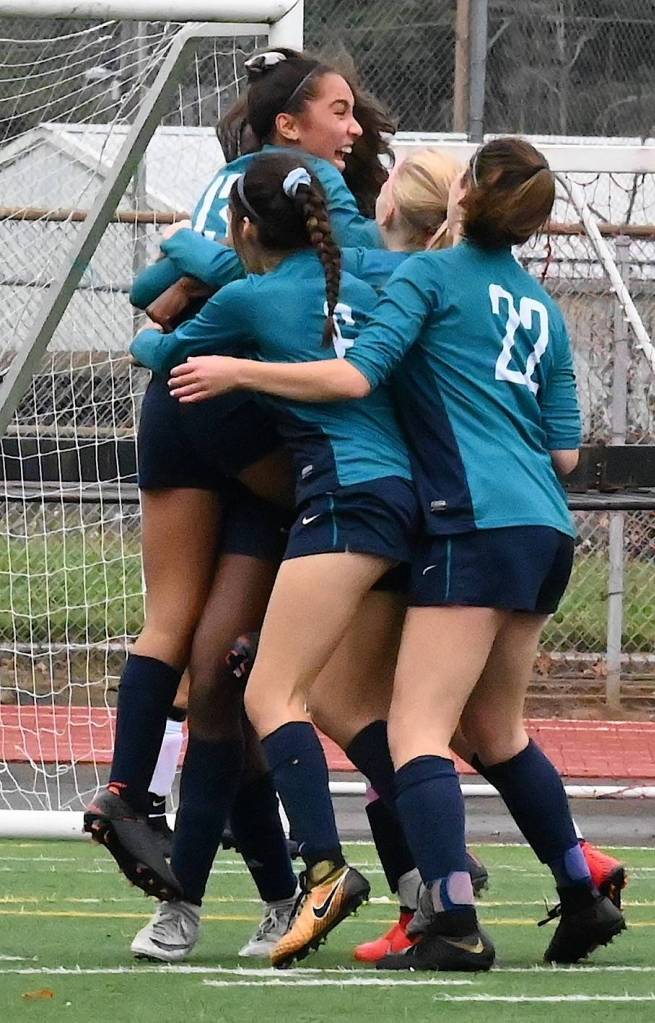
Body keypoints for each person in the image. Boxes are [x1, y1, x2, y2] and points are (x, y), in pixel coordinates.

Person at [167, 138, 627, 970]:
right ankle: (578, 884)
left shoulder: (427, 276)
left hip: (470, 518)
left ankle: (448, 917)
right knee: (497, 728)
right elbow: (565, 452)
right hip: (544, 524)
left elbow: (354, 379)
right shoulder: (541, 306)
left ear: (461, 198)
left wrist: (239, 368)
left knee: (416, 725)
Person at [84, 47, 395, 959]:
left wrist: (186, 279)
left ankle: (143, 817)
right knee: (224, 667)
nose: (357, 127)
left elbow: (156, 303)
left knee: (220, 667)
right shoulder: (313, 194)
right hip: (247, 423)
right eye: (341, 110)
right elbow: (355, 279)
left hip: (188, 401)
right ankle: (215, 884)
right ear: (289, 128)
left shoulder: (238, 185)